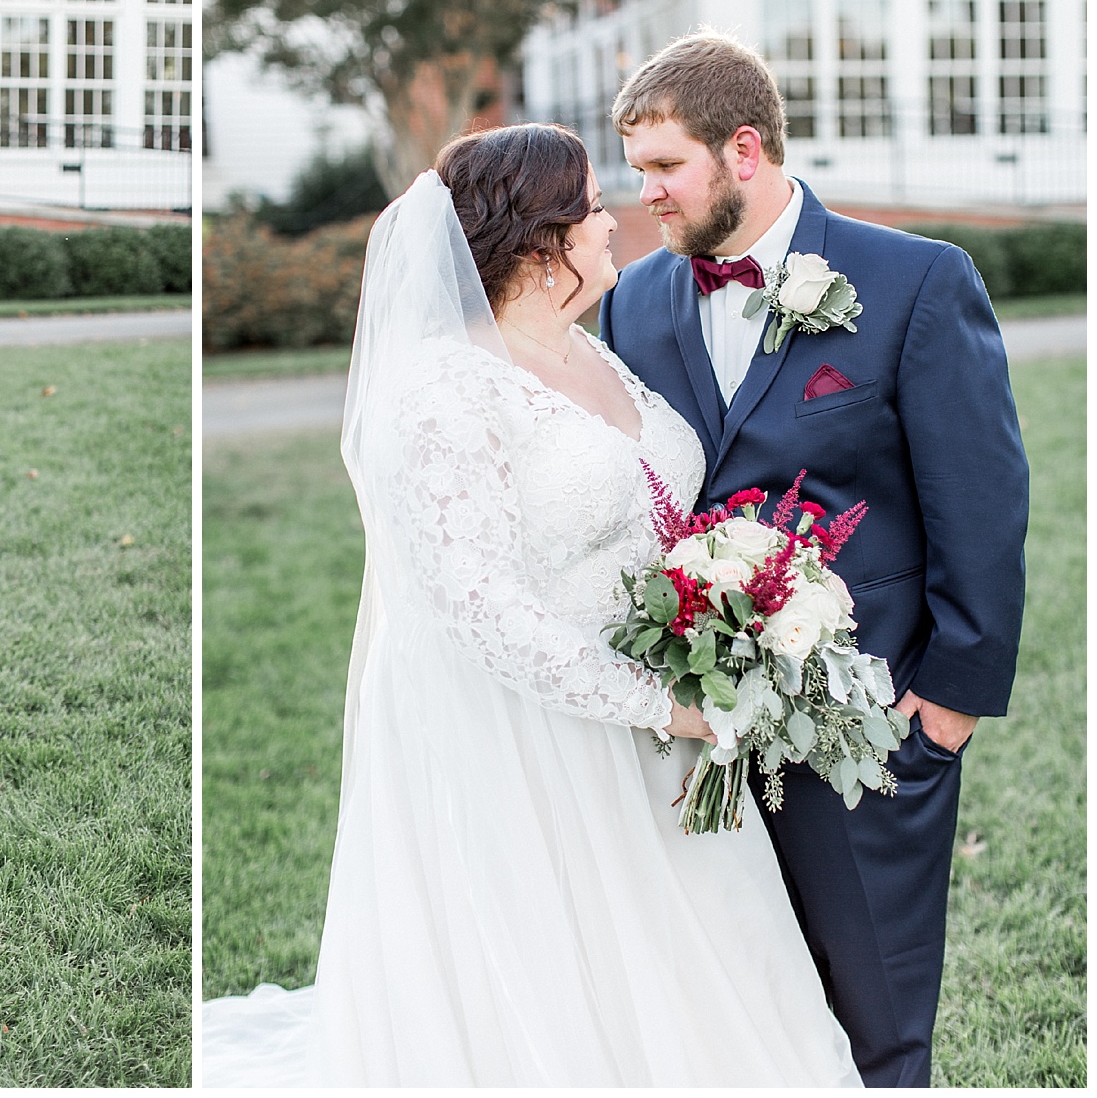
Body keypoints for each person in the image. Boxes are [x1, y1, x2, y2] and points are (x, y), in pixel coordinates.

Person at [203, 123, 860, 1086]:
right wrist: (661, 704)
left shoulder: (591, 350)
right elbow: (481, 609)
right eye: (595, 205)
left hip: (655, 719)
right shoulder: (439, 393)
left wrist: (730, 613)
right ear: (541, 235)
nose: (614, 221)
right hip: (524, 741)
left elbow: (658, 510)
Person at [600, 32, 1028, 1087]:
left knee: (877, 1018)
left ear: (743, 150)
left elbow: (980, 498)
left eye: (664, 167)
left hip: (871, 723)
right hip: (696, 734)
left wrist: (949, 706)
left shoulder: (918, 281)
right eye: (638, 167)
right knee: (735, 1007)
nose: (642, 192)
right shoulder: (632, 303)